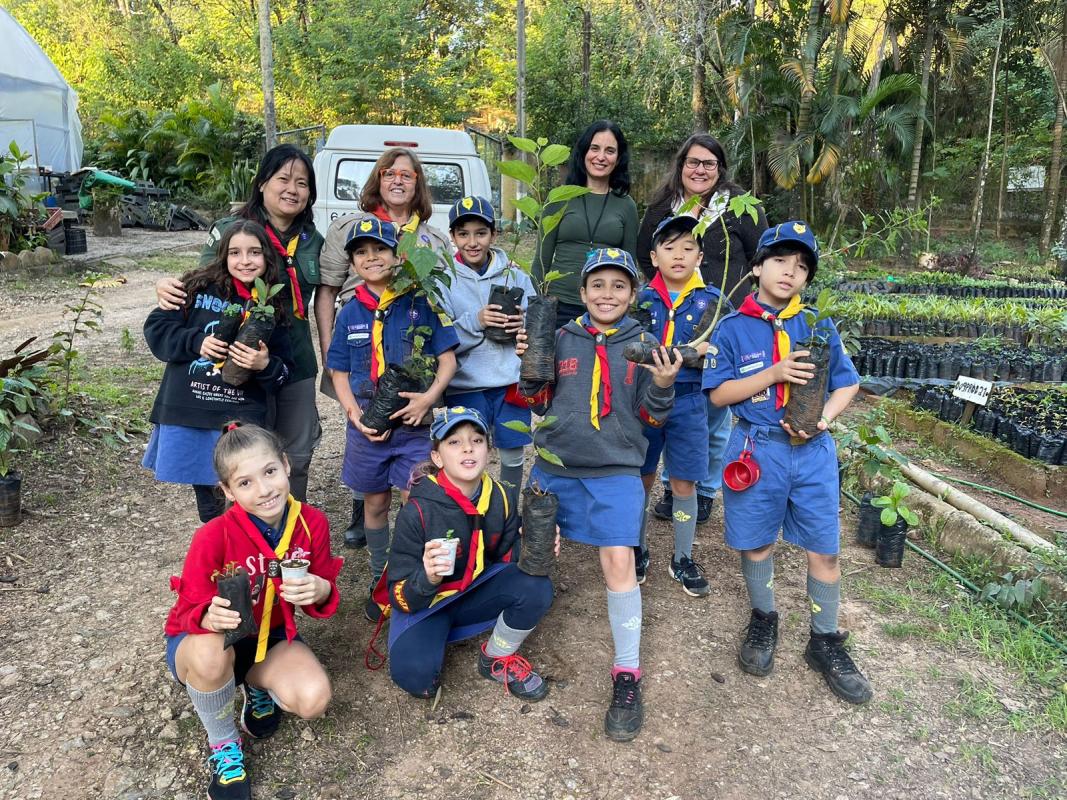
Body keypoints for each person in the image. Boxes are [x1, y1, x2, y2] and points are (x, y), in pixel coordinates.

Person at [703, 221, 873, 706]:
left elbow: (847, 383)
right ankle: (764, 618)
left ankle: (824, 639)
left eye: (801, 266)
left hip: (812, 453)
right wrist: (774, 373)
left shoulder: (817, 325)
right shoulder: (732, 328)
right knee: (757, 542)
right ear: (757, 267)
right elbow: (718, 394)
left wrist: (824, 419)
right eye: (779, 260)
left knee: (826, 549)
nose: (789, 272)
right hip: (757, 449)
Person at [517, 248, 680, 742]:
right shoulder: (559, 337)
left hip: (616, 469)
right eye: (598, 285)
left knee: (619, 560)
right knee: (533, 555)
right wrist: (530, 362)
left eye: (619, 286)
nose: (607, 294)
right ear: (583, 291)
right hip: (556, 466)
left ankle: (627, 671)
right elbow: (537, 402)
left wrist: (664, 384)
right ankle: (502, 645)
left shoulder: (645, 344)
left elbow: (652, 418)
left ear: (633, 294)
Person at [164, 422, 343, 800]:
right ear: (228, 491)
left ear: (286, 465)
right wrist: (207, 616)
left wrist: (321, 588)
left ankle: (256, 684)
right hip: (206, 643)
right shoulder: (212, 535)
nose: (264, 490)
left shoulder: (312, 523)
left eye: (270, 471)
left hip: (269, 636)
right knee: (210, 652)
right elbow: (187, 608)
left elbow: (323, 589)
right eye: (245, 482)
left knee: (313, 699)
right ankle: (223, 744)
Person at [154, 145, 326, 504]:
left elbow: (332, 293)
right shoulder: (231, 231)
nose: (292, 189)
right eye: (283, 179)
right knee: (236, 455)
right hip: (234, 367)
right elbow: (203, 282)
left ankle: (288, 527)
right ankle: (232, 529)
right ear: (262, 183)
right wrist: (166, 287)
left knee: (294, 454)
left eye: (302, 183)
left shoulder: (314, 241)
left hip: (291, 362)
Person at [318, 146, 453, 546]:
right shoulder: (348, 229)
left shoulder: (431, 240)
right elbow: (327, 290)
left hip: (410, 357)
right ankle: (368, 529)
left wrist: (430, 396)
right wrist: (329, 355)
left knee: (416, 484)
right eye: (389, 172)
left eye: (407, 174)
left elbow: (444, 312)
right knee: (370, 472)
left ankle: (411, 554)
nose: (397, 180)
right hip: (359, 351)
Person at [325, 217, 458, 620]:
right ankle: (379, 574)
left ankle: (412, 572)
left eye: (380, 249)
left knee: (415, 498)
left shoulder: (421, 302)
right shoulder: (349, 312)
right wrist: (354, 414)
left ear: (398, 255)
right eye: (361, 252)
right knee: (376, 501)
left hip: (414, 427)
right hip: (366, 428)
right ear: (352, 263)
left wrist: (428, 400)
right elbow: (339, 371)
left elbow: (448, 360)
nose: (371, 258)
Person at [637, 133, 768, 526]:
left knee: (712, 410)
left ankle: (704, 489)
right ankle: (672, 486)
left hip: (724, 318)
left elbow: (761, 257)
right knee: (670, 404)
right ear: (681, 165)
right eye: (692, 162)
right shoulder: (663, 206)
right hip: (676, 316)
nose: (699, 170)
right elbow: (644, 251)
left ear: (719, 169)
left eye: (709, 164)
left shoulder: (740, 206)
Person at [383, 406, 556, 701]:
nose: (468, 448)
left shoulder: (500, 497)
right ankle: (433, 635)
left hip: (473, 590)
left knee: (537, 586)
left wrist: (535, 545)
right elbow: (397, 592)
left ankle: (495, 657)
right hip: (428, 603)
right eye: (454, 442)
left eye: (477, 440)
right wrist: (427, 577)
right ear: (437, 457)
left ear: (489, 450)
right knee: (417, 679)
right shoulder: (417, 511)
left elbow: (506, 556)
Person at [143, 220, 293, 523]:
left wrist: (263, 365)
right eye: (235, 252)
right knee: (211, 508)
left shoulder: (271, 306)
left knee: (248, 501)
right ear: (223, 255)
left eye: (254, 252)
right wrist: (197, 342)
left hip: (239, 422)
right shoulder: (196, 288)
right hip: (193, 417)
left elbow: (283, 371)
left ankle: (250, 550)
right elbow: (156, 328)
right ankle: (221, 550)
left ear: (267, 257)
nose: (245, 261)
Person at [635, 215, 730, 597]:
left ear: (700, 257)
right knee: (641, 476)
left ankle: (682, 557)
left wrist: (708, 351)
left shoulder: (713, 302)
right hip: (645, 398)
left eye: (688, 248)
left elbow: (725, 349)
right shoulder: (640, 298)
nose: (679, 255)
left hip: (690, 401)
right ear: (654, 257)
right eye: (670, 247)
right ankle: (637, 548)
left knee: (685, 480)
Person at [435, 195, 536, 502]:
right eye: (463, 233)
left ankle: (507, 509)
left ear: (493, 234)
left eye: (480, 233)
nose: (472, 242)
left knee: (512, 450)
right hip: (466, 384)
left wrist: (521, 324)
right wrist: (476, 321)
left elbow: (536, 326)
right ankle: (469, 508)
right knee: (467, 452)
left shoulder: (515, 274)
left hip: (510, 381)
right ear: (452, 237)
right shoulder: (444, 280)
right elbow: (440, 338)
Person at [532, 120, 639, 329]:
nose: (601, 157)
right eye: (594, 148)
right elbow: (540, 262)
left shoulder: (626, 206)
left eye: (610, 151)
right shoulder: (559, 198)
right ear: (583, 152)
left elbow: (630, 266)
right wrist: (537, 310)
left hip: (606, 309)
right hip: (558, 307)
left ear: (618, 159)